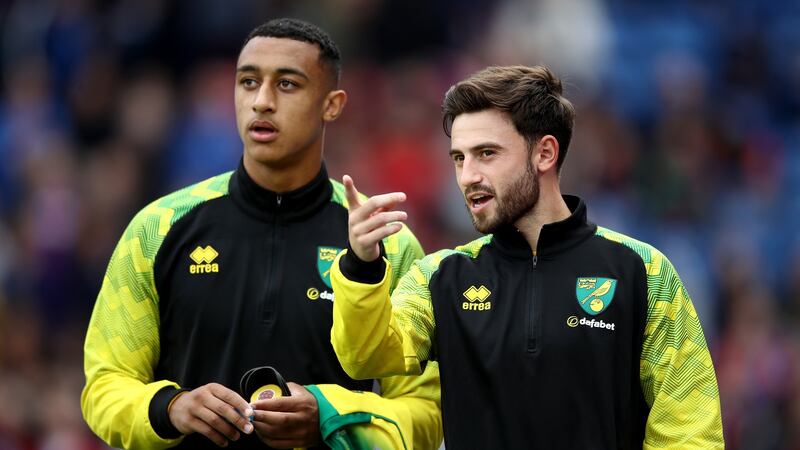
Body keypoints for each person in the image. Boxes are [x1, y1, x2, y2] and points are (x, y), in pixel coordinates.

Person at [80, 18, 442, 450]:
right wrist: (170, 407)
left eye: (287, 85)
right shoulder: (158, 228)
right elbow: (104, 385)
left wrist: (331, 417)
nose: (262, 102)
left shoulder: (385, 243)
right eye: (248, 82)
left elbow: (425, 413)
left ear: (332, 105)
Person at [330, 65, 724, 449]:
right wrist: (361, 265)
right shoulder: (439, 276)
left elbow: (689, 433)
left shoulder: (643, 271)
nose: (467, 176)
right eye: (459, 158)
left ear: (545, 153)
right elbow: (366, 356)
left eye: (486, 153)